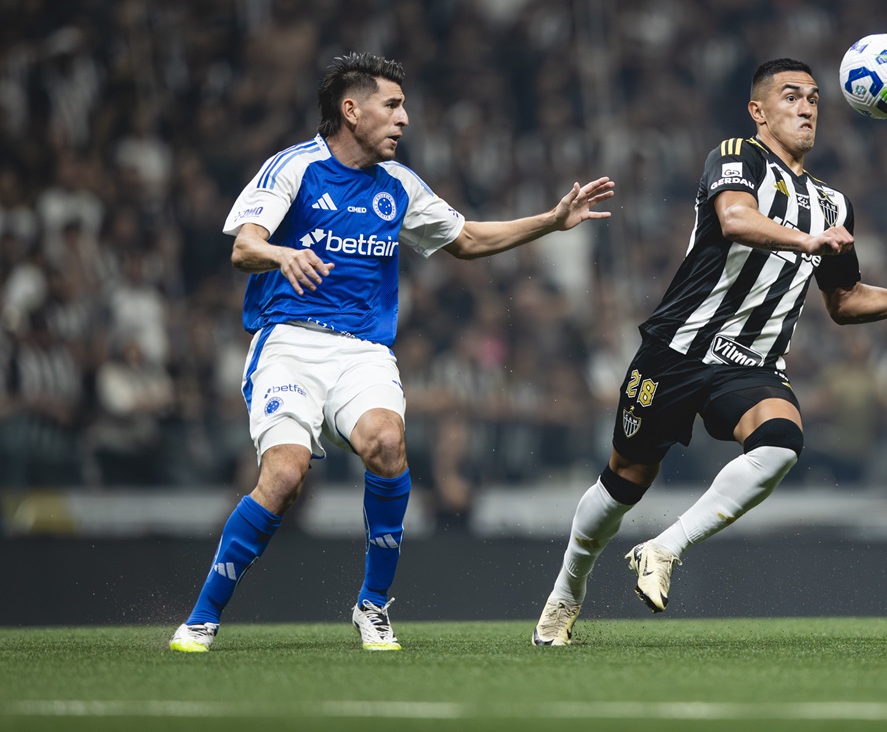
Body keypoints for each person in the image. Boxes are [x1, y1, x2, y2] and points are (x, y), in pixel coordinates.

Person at [169, 52, 613, 653]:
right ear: (352, 110)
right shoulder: (294, 168)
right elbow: (244, 247)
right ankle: (202, 618)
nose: (404, 119)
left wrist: (552, 221)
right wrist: (281, 254)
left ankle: (372, 606)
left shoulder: (398, 185)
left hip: (364, 350)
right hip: (289, 342)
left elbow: (467, 238)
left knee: (386, 443)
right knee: (285, 476)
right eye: (393, 105)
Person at [532, 58, 887, 646]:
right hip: (678, 349)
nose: (806, 107)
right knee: (625, 481)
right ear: (758, 111)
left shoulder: (833, 204)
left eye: (814, 99)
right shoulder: (736, 156)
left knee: (780, 445)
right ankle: (567, 592)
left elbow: (844, 300)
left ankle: (664, 547)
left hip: (751, 364)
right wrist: (807, 241)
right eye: (791, 96)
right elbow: (736, 219)